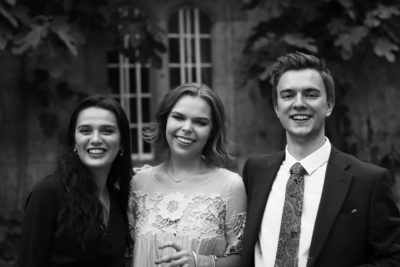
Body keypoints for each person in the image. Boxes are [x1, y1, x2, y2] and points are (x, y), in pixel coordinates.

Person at [241, 52, 400, 267]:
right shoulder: (255, 171)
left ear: (329, 105)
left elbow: (391, 258)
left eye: (311, 94)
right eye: (288, 95)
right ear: (277, 108)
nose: (299, 103)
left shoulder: (368, 181)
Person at [128, 83, 247, 267]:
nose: (187, 128)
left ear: (212, 131)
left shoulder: (230, 185)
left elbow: (243, 258)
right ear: (164, 120)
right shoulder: (138, 182)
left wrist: (202, 262)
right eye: (178, 117)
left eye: (200, 122)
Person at [18, 95, 133, 267]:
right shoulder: (49, 192)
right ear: (74, 141)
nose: (95, 139)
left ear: (122, 141)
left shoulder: (118, 198)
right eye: (85, 130)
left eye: (107, 131)